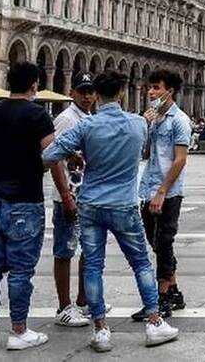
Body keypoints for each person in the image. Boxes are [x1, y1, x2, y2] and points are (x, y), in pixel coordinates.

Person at [41, 71, 179, 351]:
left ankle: (101, 330)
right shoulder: (138, 123)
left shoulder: (86, 126)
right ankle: (154, 323)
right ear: (121, 93)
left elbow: (48, 155)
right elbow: (144, 149)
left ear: (97, 95)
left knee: (93, 266)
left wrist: (77, 154)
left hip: (91, 205)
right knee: (141, 263)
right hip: (124, 204)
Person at [0, 62, 65, 352]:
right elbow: (52, 155)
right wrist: (32, 163)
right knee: (21, 271)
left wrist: (3, 158)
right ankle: (18, 330)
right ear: (34, 85)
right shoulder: (38, 114)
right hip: (25, 201)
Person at [140, 69, 192, 320]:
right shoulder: (153, 119)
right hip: (147, 188)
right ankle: (174, 290)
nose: (151, 92)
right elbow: (146, 153)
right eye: (150, 87)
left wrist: (162, 191)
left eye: (156, 88)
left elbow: (180, 159)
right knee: (157, 243)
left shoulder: (179, 120)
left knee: (163, 242)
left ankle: (161, 300)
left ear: (169, 91)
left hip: (168, 192)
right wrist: (143, 125)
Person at [51, 73, 97, 328]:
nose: (87, 96)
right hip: (68, 197)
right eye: (82, 91)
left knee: (88, 250)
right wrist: (66, 197)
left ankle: (83, 301)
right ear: (72, 92)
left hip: (86, 196)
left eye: (90, 91)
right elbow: (53, 158)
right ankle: (64, 306)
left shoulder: (88, 117)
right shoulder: (67, 119)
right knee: (64, 251)